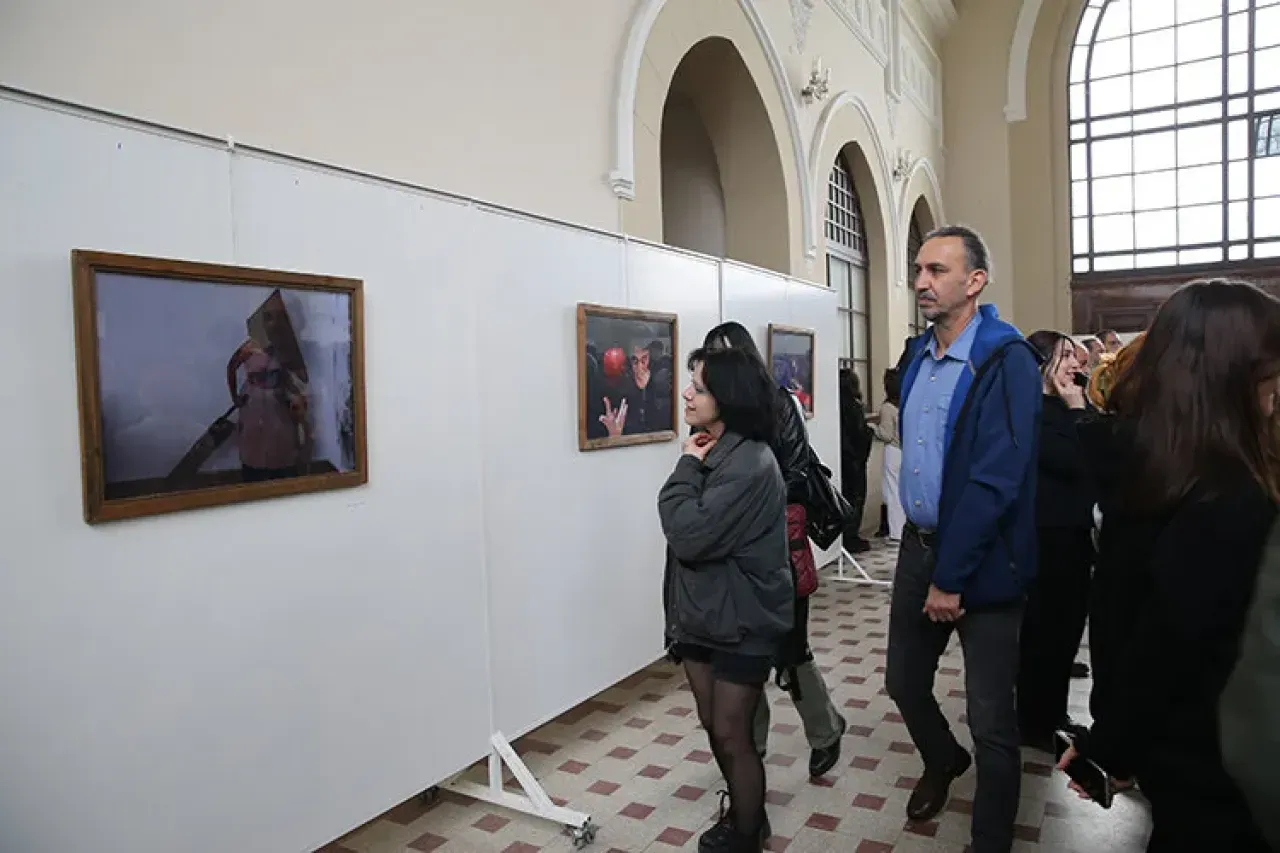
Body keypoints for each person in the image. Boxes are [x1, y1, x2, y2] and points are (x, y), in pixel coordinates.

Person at [1059, 279, 1280, 853]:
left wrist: (1112, 746)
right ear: (1234, 378)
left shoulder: (1165, 478)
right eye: (1270, 374)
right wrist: (1112, 747)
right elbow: (1161, 646)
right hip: (1216, 778)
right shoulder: (1228, 498)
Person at [885, 224, 1042, 853]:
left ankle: (991, 840)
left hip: (985, 560)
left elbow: (995, 479)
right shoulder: (917, 357)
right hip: (918, 548)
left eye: (937, 271)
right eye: (918, 270)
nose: (921, 282)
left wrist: (951, 578)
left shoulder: (1007, 360)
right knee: (903, 682)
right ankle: (943, 758)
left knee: (991, 719)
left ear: (975, 281)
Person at [659, 347, 794, 853]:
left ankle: (746, 834)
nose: (686, 394)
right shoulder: (714, 450)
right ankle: (744, 811)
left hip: (742, 619)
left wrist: (684, 467)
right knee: (716, 727)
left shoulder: (750, 463)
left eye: (699, 387)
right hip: (703, 615)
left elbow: (687, 533)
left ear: (729, 398)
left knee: (734, 734)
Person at [699, 323, 848, 777]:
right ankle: (750, 748)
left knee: (791, 647)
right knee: (740, 653)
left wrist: (743, 495)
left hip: (777, 544)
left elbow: (794, 472)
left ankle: (825, 730)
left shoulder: (779, 403)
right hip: (731, 548)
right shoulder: (711, 411)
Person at [1016, 331, 1095, 749]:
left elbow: (1102, 452)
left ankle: (1055, 713)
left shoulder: (1073, 404)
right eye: (1065, 356)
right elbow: (1075, 461)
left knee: (1066, 632)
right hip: (1046, 537)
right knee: (1045, 634)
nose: (1075, 364)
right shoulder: (1031, 410)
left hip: (1075, 536)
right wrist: (1078, 408)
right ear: (1041, 363)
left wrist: (1080, 405)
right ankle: (1035, 722)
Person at [839, 366, 874, 552]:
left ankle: (844, 536)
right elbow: (861, 435)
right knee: (856, 497)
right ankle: (851, 536)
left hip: (842, 459)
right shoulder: (855, 406)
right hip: (855, 461)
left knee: (843, 497)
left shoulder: (836, 406)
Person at [874, 368, 904, 541]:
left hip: (892, 451)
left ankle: (896, 532)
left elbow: (886, 434)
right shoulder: (904, 404)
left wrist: (872, 428)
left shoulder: (887, 408)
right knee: (902, 491)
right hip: (905, 451)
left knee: (892, 492)